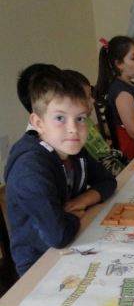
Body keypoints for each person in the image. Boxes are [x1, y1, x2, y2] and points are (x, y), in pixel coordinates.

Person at [4, 69, 117, 276]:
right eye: (59, 118)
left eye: (80, 118)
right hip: (39, 263)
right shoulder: (30, 171)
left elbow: (108, 181)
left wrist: (82, 201)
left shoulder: (72, 149)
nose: (73, 128)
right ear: (39, 123)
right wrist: (73, 216)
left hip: (74, 241)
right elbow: (57, 236)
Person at [64, 69, 129, 176]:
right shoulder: (73, 134)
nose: (93, 100)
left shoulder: (87, 119)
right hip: (102, 171)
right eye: (88, 97)